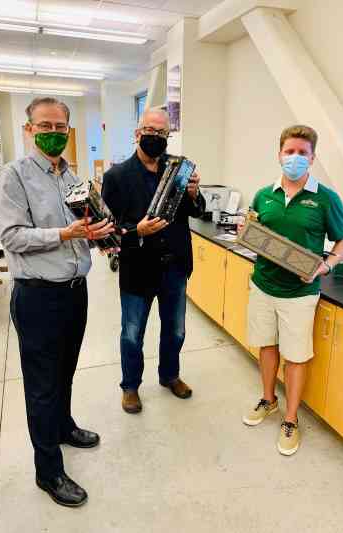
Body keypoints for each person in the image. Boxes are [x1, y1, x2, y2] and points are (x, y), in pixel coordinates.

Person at [0, 97, 117, 507]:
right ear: (29, 129)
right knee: (42, 387)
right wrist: (66, 234)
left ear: (68, 130)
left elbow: (82, 229)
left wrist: (96, 236)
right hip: (38, 297)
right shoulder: (13, 176)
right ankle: (48, 472)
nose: (53, 132)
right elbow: (12, 237)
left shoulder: (72, 177)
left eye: (60, 126)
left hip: (74, 292)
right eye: (44, 125)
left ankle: (63, 427)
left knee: (65, 372)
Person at [242, 125, 343, 455]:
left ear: (312, 158)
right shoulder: (264, 194)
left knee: (297, 356)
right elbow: (253, 231)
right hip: (263, 285)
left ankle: (290, 419)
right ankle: (268, 399)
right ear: (279, 155)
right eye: (289, 151)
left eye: (302, 153)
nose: (295, 158)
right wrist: (246, 231)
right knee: (266, 345)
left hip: (299, 294)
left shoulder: (326, 198)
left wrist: (324, 266)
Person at [102, 107, 205, 414]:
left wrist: (194, 194)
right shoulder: (116, 176)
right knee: (132, 333)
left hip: (175, 266)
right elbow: (107, 230)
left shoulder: (178, 171)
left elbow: (196, 211)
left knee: (176, 330)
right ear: (138, 133)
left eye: (162, 132)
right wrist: (138, 230)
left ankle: (169, 375)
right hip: (138, 268)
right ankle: (130, 386)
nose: (156, 137)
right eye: (150, 130)